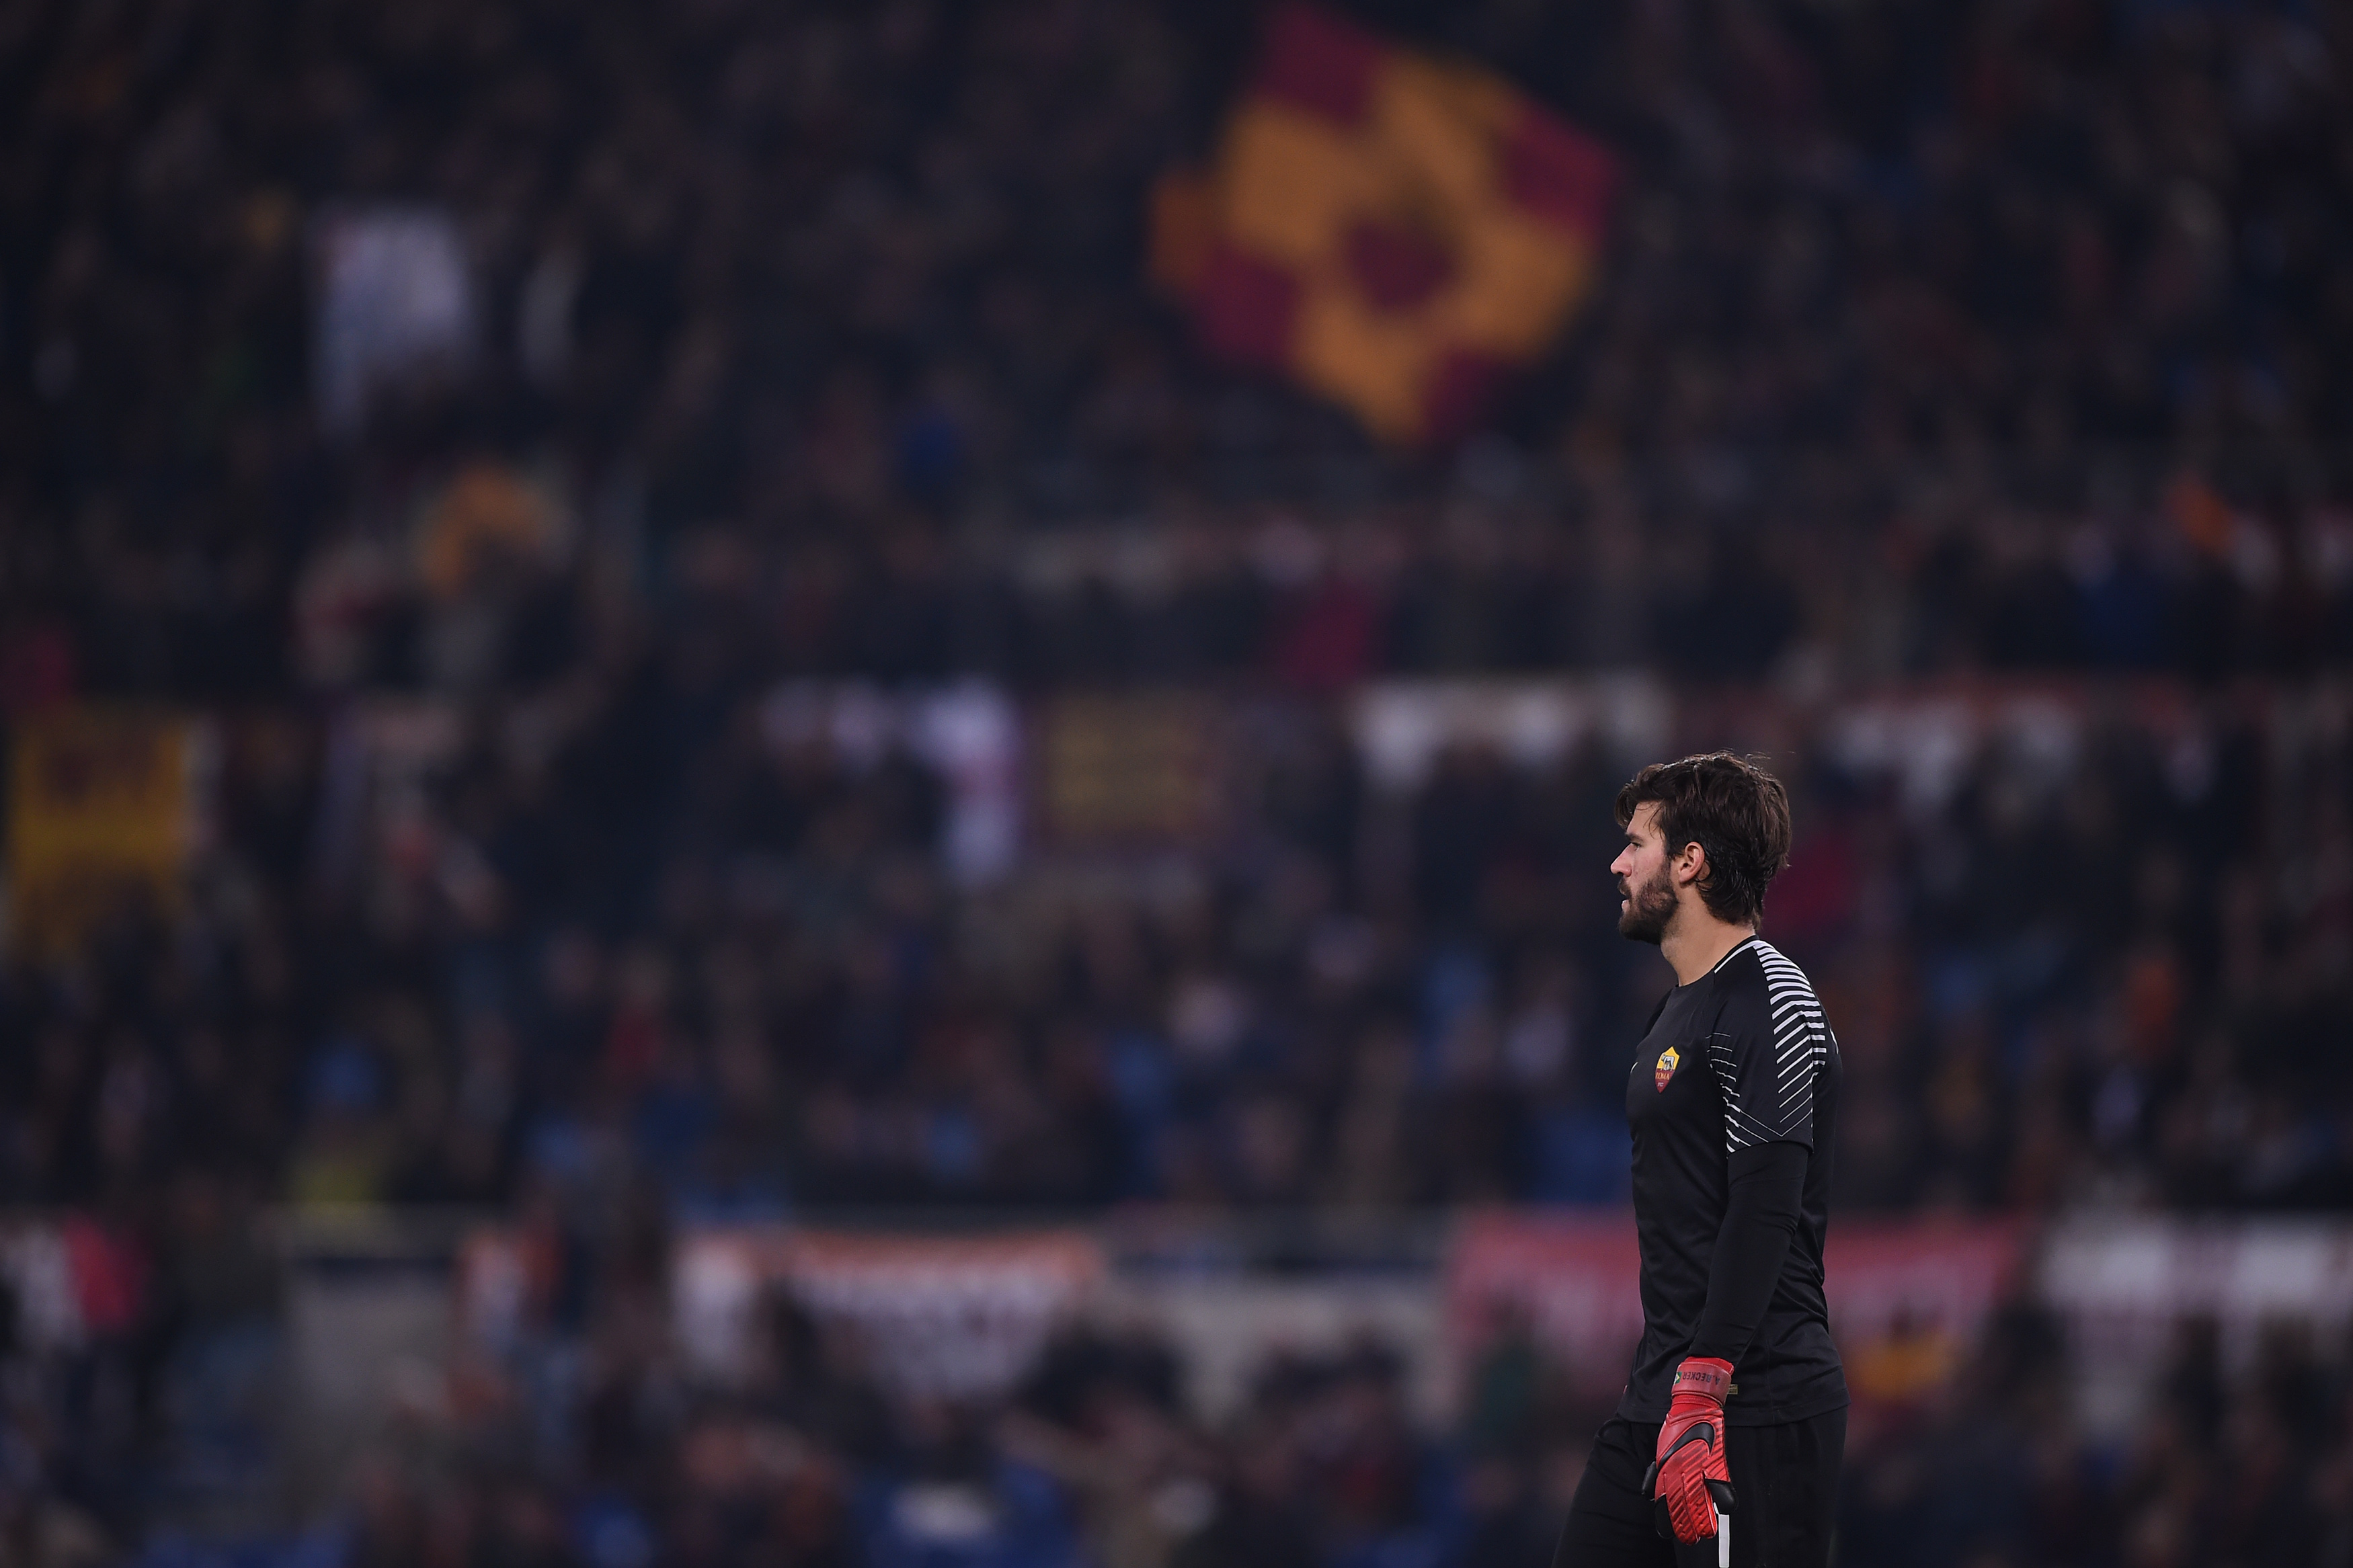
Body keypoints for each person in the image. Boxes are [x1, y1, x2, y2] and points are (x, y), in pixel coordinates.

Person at [1554, 753, 1846, 1567]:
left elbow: (1765, 1204)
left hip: (1753, 1402)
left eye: (1635, 843)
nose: (1616, 863)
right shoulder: (1673, 1007)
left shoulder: (1772, 995)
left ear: (1689, 862)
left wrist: (1705, 1380)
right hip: (1659, 1396)